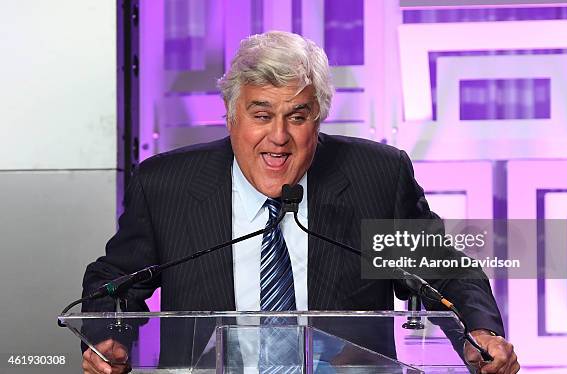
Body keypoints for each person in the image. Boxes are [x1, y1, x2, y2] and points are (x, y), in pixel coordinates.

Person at [81, 31, 519, 374]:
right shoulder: (168, 185)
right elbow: (114, 282)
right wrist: (109, 339)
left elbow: (444, 272)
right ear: (231, 116)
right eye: (261, 115)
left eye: (297, 116)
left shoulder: (375, 178)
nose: (278, 137)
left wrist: (478, 333)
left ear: (319, 117)